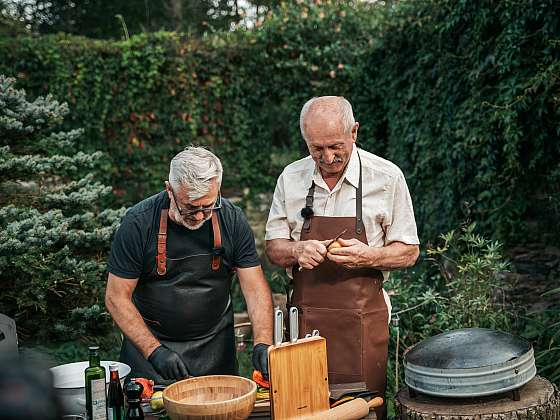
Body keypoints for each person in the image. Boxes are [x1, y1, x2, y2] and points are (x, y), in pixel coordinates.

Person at [265, 96, 419, 420]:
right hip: (305, 324)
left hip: (363, 324)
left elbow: (409, 251)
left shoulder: (386, 177)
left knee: (365, 410)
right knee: (304, 408)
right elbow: (273, 247)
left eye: (336, 146)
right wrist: (297, 250)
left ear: (354, 132)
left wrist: (369, 256)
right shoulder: (291, 178)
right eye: (316, 148)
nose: (328, 157)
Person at [106, 146, 273, 384]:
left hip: (215, 348)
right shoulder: (138, 223)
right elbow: (116, 297)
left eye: (207, 206)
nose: (198, 216)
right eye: (190, 207)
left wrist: (262, 342)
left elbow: (255, 288)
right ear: (169, 190)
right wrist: (155, 352)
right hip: (152, 351)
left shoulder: (232, 219)